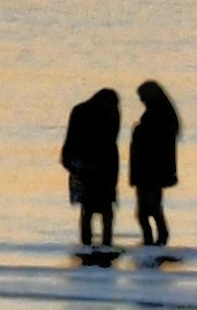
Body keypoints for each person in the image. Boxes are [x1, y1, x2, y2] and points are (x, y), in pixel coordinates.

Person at [58, 86, 122, 256]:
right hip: (104, 167)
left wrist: (67, 160)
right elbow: (112, 140)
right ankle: (106, 243)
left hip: (84, 166)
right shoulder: (111, 114)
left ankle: (87, 244)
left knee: (87, 209)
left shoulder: (80, 111)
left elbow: (70, 138)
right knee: (105, 209)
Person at [129, 79, 183, 250]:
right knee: (148, 209)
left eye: (143, 98)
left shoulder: (159, 118)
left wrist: (139, 130)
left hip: (151, 170)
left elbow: (153, 141)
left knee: (148, 209)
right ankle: (153, 240)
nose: (142, 101)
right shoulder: (162, 117)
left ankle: (156, 240)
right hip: (149, 170)